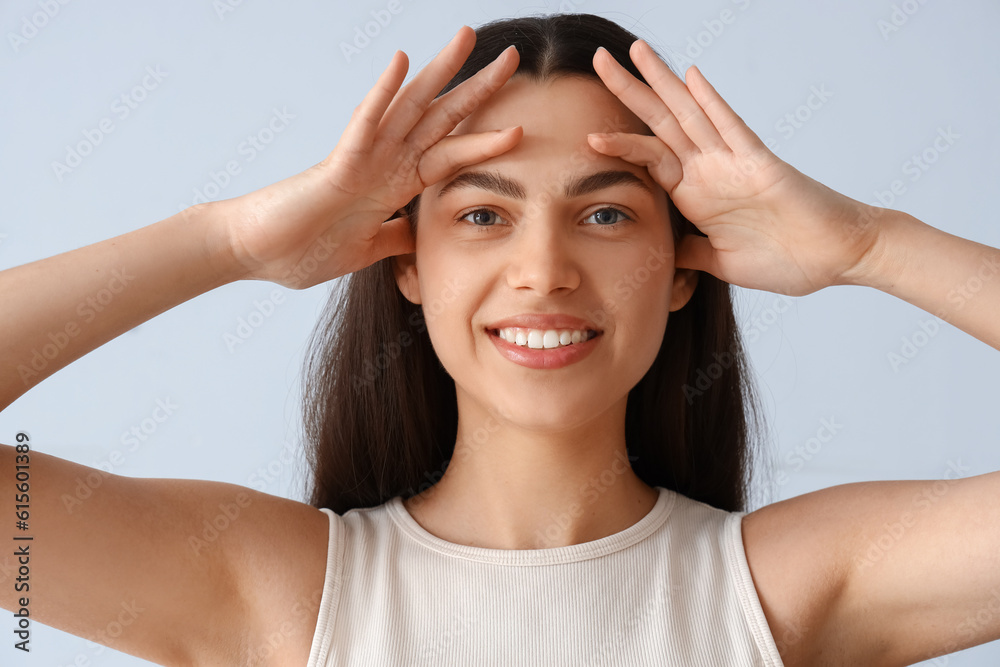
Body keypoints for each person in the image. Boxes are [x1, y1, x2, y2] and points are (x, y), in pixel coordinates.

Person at [1, 11, 998, 667]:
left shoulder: (795, 585)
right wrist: (226, 241)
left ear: (687, 264)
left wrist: (868, 243)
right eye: (481, 215)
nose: (543, 271)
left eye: (606, 215)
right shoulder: (270, 590)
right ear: (407, 261)